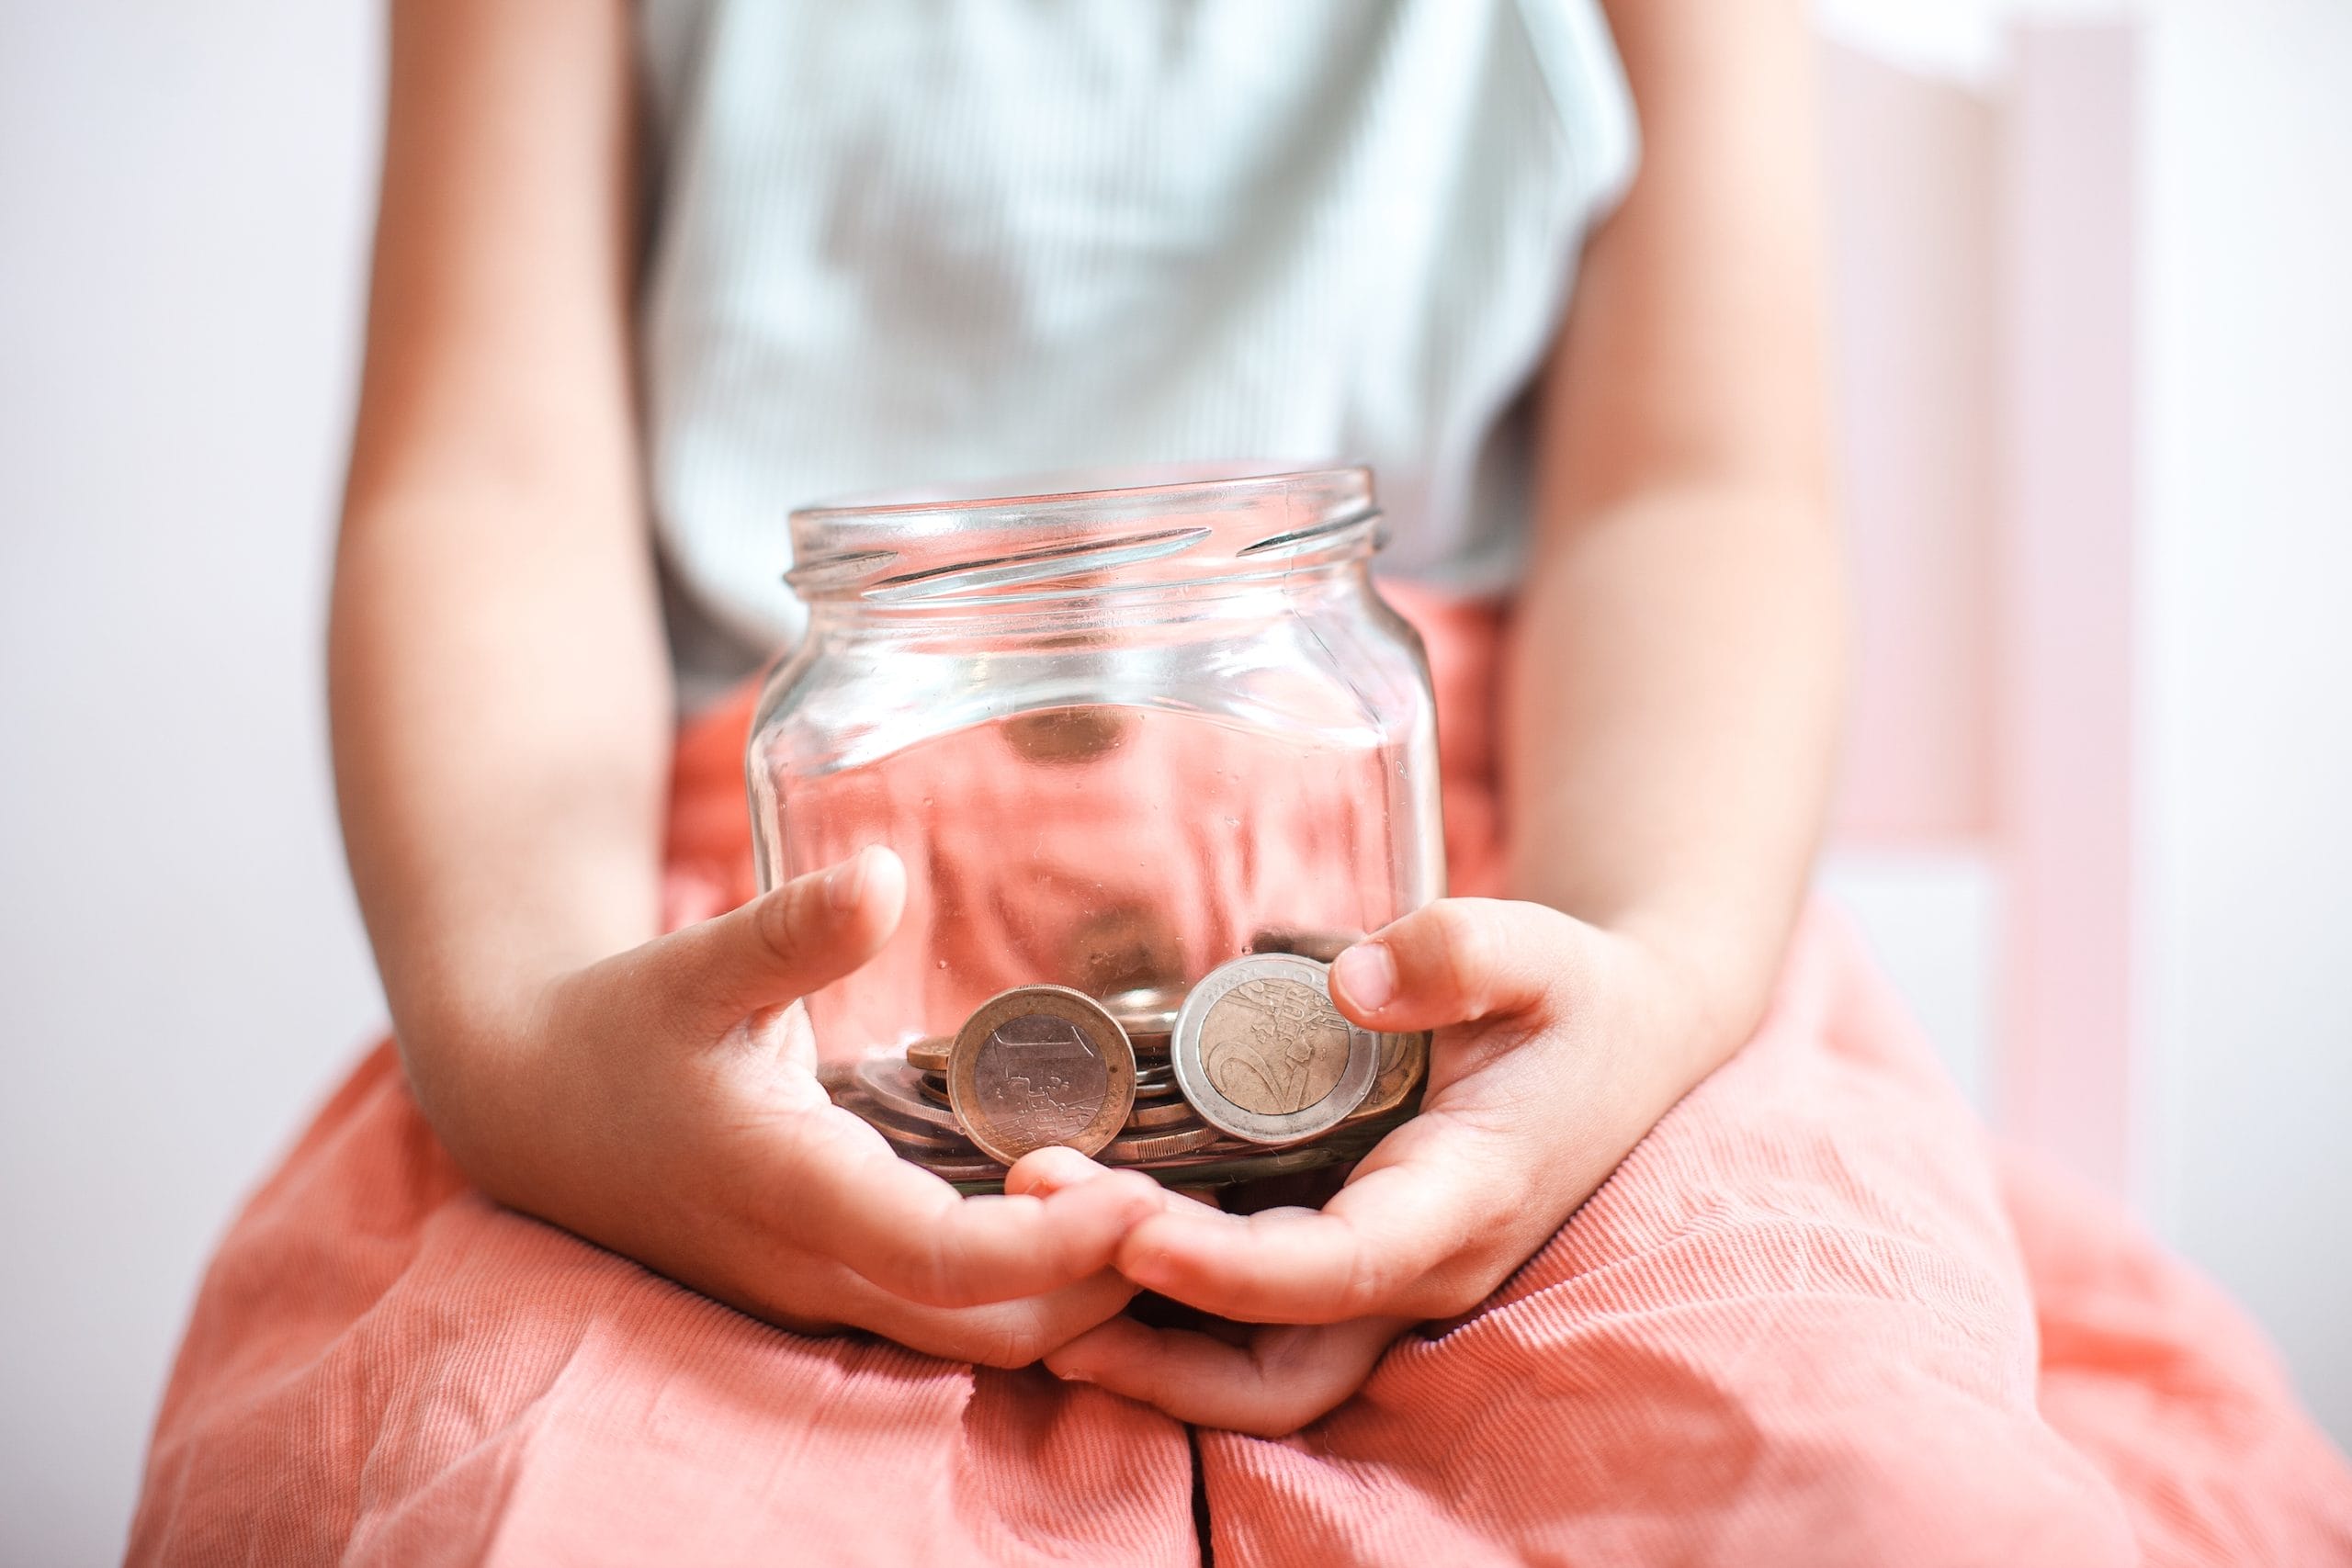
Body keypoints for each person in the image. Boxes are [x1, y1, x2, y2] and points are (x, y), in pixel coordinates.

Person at [130, 1, 2352, 1563]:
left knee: (1838, 1480)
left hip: (1532, 925)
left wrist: (1649, 971)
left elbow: (1696, 488)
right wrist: (525, 1037)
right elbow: (486, 486)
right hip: (729, 978)